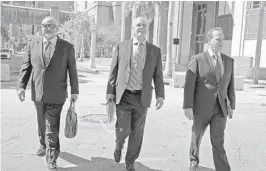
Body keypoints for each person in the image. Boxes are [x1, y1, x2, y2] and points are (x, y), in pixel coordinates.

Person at [17, 16, 79, 170]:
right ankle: (43, 144)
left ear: (57, 28)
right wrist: (21, 86)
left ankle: (51, 158)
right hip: (38, 92)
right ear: (41, 27)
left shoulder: (67, 47)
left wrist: (74, 91)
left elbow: (72, 70)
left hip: (57, 93)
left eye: (52, 25)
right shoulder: (33, 44)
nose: (48, 28)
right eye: (45, 25)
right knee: (41, 122)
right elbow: (26, 66)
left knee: (52, 125)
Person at [106, 17, 165, 171]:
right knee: (123, 129)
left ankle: (130, 160)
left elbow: (158, 75)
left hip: (142, 97)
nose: (141, 27)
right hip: (124, 95)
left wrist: (160, 95)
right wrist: (109, 92)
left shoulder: (155, 50)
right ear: (133, 28)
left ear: (148, 28)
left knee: (137, 133)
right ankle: (119, 145)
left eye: (144, 25)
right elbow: (114, 70)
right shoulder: (121, 46)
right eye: (138, 24)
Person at [183, 27, 235, 171]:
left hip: (221, 109)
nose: (221, 42)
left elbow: (230, 85)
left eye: (222, 39)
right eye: (218, 39)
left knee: (218, 142)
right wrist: (187, 106)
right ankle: (193, 162)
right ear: (209, 40)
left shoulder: (229, 61)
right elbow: (189, 84)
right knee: (196, 137)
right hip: (201, 108)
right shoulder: (198, 59)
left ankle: (223, 168)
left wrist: (232, 106)